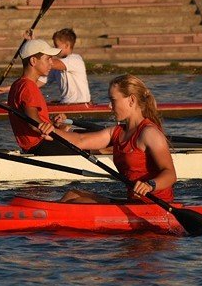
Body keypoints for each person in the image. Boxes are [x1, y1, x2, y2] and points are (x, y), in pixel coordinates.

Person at [36, 74, 176, 203]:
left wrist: (150, 185)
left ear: (131, 100)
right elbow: (81, 140)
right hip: (133, 202)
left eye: (113, 100)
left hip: (154, 205)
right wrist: (53, 133)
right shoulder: (117, 132)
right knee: (73, 194)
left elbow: (170, 174)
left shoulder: (149, 133)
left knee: (77, 202)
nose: (109, 106)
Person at [5, 39, 75, 156]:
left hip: (34, 147)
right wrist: (55, 130)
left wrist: (52, 123)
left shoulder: (17, 84)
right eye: (48, 59)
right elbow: (34, 124)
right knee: (100, 144)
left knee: (78, 133)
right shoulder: (28, 86)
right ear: (33, 61)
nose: (52, 63)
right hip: (43, 146)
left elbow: (32, 120)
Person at [0, 28, 90, 104]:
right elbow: (34, 83)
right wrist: (7, 89)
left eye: (56, 46)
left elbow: (47, 62)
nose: (54, 48)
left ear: (67, 45)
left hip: (80, 104)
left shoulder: (76, 60)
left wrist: (34, 44)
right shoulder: (53, 69)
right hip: (66, 104)